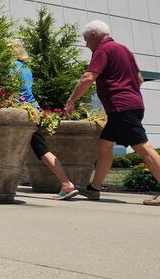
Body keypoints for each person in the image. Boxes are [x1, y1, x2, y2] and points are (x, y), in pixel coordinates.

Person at [64, 20, 160, 206]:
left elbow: (88, 77)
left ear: (93, 35)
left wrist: (71, 101)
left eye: (86, 40)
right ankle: (94, 189)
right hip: (131, 105)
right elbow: (139, 79)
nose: (86, 45)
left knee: (143, 148)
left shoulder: (103, 50)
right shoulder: (124, 49)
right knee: (105, 146)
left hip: (121, 108)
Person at [10, 39, 79, 200]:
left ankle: (67, 184)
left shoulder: (9, 67)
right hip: (34, 111)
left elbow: (10, 89)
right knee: (42, 149)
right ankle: (66, 183)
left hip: (19, 113)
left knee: (12, 150)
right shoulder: (26, 68)